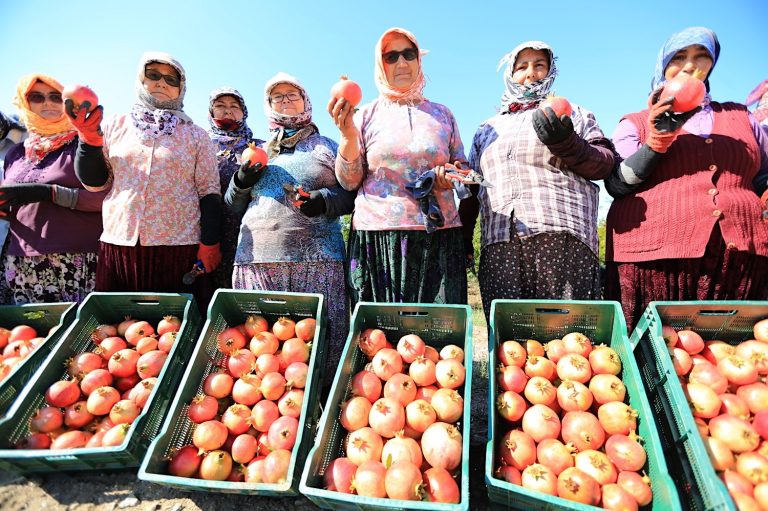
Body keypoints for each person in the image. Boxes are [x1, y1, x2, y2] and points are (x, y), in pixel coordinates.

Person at [604, 27, 768, 331]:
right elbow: (617, 184)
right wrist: (657, 140)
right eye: (679, 57)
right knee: (655, 351)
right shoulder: (635, 122)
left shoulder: (742, 117)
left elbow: (762, 177)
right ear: (663, 66)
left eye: (701, 56)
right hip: (655, 260)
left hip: (739, 258)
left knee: (732, 354)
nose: (690, 65)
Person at [459, 41, 616, 320]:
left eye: (539, 65)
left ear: (551, 71)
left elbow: (604, 163)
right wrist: (462, 241)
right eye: (522, 66)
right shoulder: (487, 129)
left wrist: (567, 142)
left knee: (569, 343)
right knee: (511, 351)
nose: (530, 73)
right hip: (500, 247)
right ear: (510, 73)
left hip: (562, 240)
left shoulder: (572, 113)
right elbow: (473, 190)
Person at [69, 51, 222, 311]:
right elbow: (95, 183)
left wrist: (210, 245)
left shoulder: (197, 136)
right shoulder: (115, 126)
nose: (162, 83)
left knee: (172, 329)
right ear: (141, 80)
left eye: (171, 80)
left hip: (177, 248)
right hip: (120, 245)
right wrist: (88, 141)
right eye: (153, 76)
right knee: (118, 331)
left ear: (181, 89)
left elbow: (209, 194)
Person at [328, 27, 469, 307]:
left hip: (437, 235)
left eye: (409, 54)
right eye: (391, 57)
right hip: (379, 239)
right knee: (382, 339)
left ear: (419, 60)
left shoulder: (443, 114)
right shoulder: (365, 114)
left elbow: (463, 169)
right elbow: (349, 181)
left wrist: (448, 176)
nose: (402, 63)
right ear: (381, 65)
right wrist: (347, 136)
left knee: (438, 337)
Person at [225, 72, 353, 374]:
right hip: (255, 262)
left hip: (317, 262)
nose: (285, 101)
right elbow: (233, 205)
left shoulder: (327, 145)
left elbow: (351, 194)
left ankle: (323, 405)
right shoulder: (258, 148)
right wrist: (241, 182)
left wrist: (324, 200)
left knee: (320, 343)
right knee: (264, 353)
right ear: (268, 105)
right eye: (277, 97)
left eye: (292, 95)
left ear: (305, 101)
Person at [0, 74, 105, 304]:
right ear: (26, 103)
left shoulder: (87, 143)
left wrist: (49, 193)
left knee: (82, 335)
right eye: (36, 97)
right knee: (30, 336)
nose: (47, 103)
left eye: (56, 97)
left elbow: (108, 199)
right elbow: (15, 208)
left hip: (79, 260)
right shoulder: (15, 153)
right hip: (22, 261)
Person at [207, 87, 264, 290]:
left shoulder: (261, 147)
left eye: (234, 106)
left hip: (249, 236)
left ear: (244, 112)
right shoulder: (200, 144)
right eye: (220, 106)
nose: (227, 111)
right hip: (206, 234)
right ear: (211, 112)